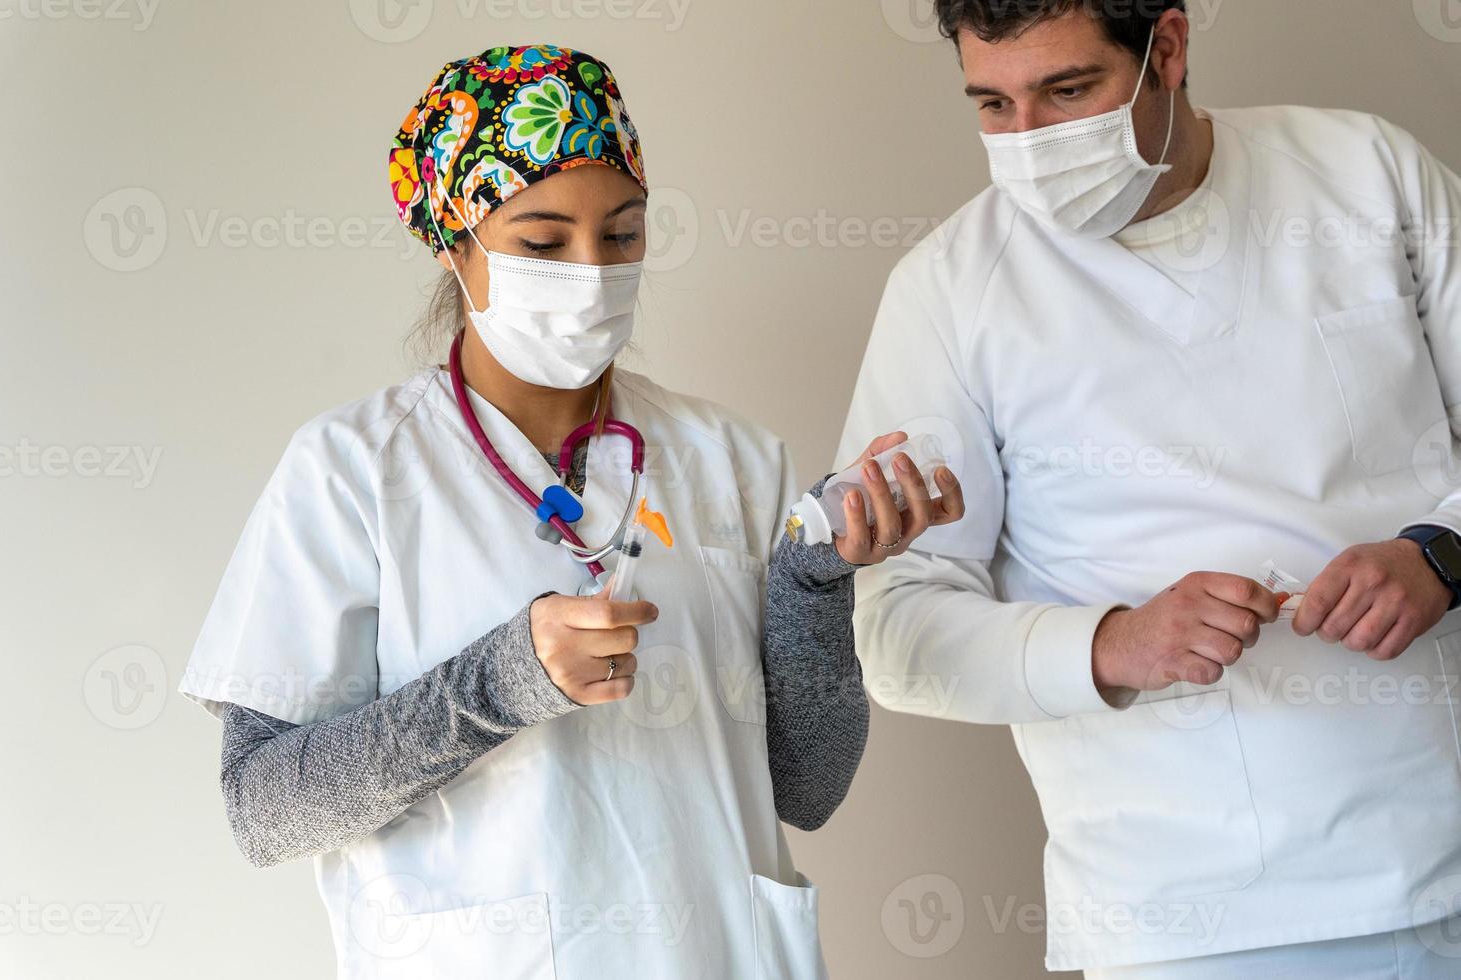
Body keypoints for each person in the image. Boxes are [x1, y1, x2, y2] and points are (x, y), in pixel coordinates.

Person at [179, 44, 964, 979]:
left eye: (623, 235)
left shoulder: (736, 459)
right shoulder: (353, 469)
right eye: (544, 244)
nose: (592, 273)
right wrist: (502, 681)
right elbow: (263, 808)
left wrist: (811, 575)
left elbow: (808, 788)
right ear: (453, 241)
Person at [838, 3, 1461, 977]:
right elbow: (896, 632)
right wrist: (1114, 643)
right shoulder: (952, 293)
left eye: (1068, 91)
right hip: (1181, 914)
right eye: (993, 104)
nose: (1032, 143)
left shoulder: (1367, 175)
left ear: (1166, 49)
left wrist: (1440, 554)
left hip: (1439, 857)